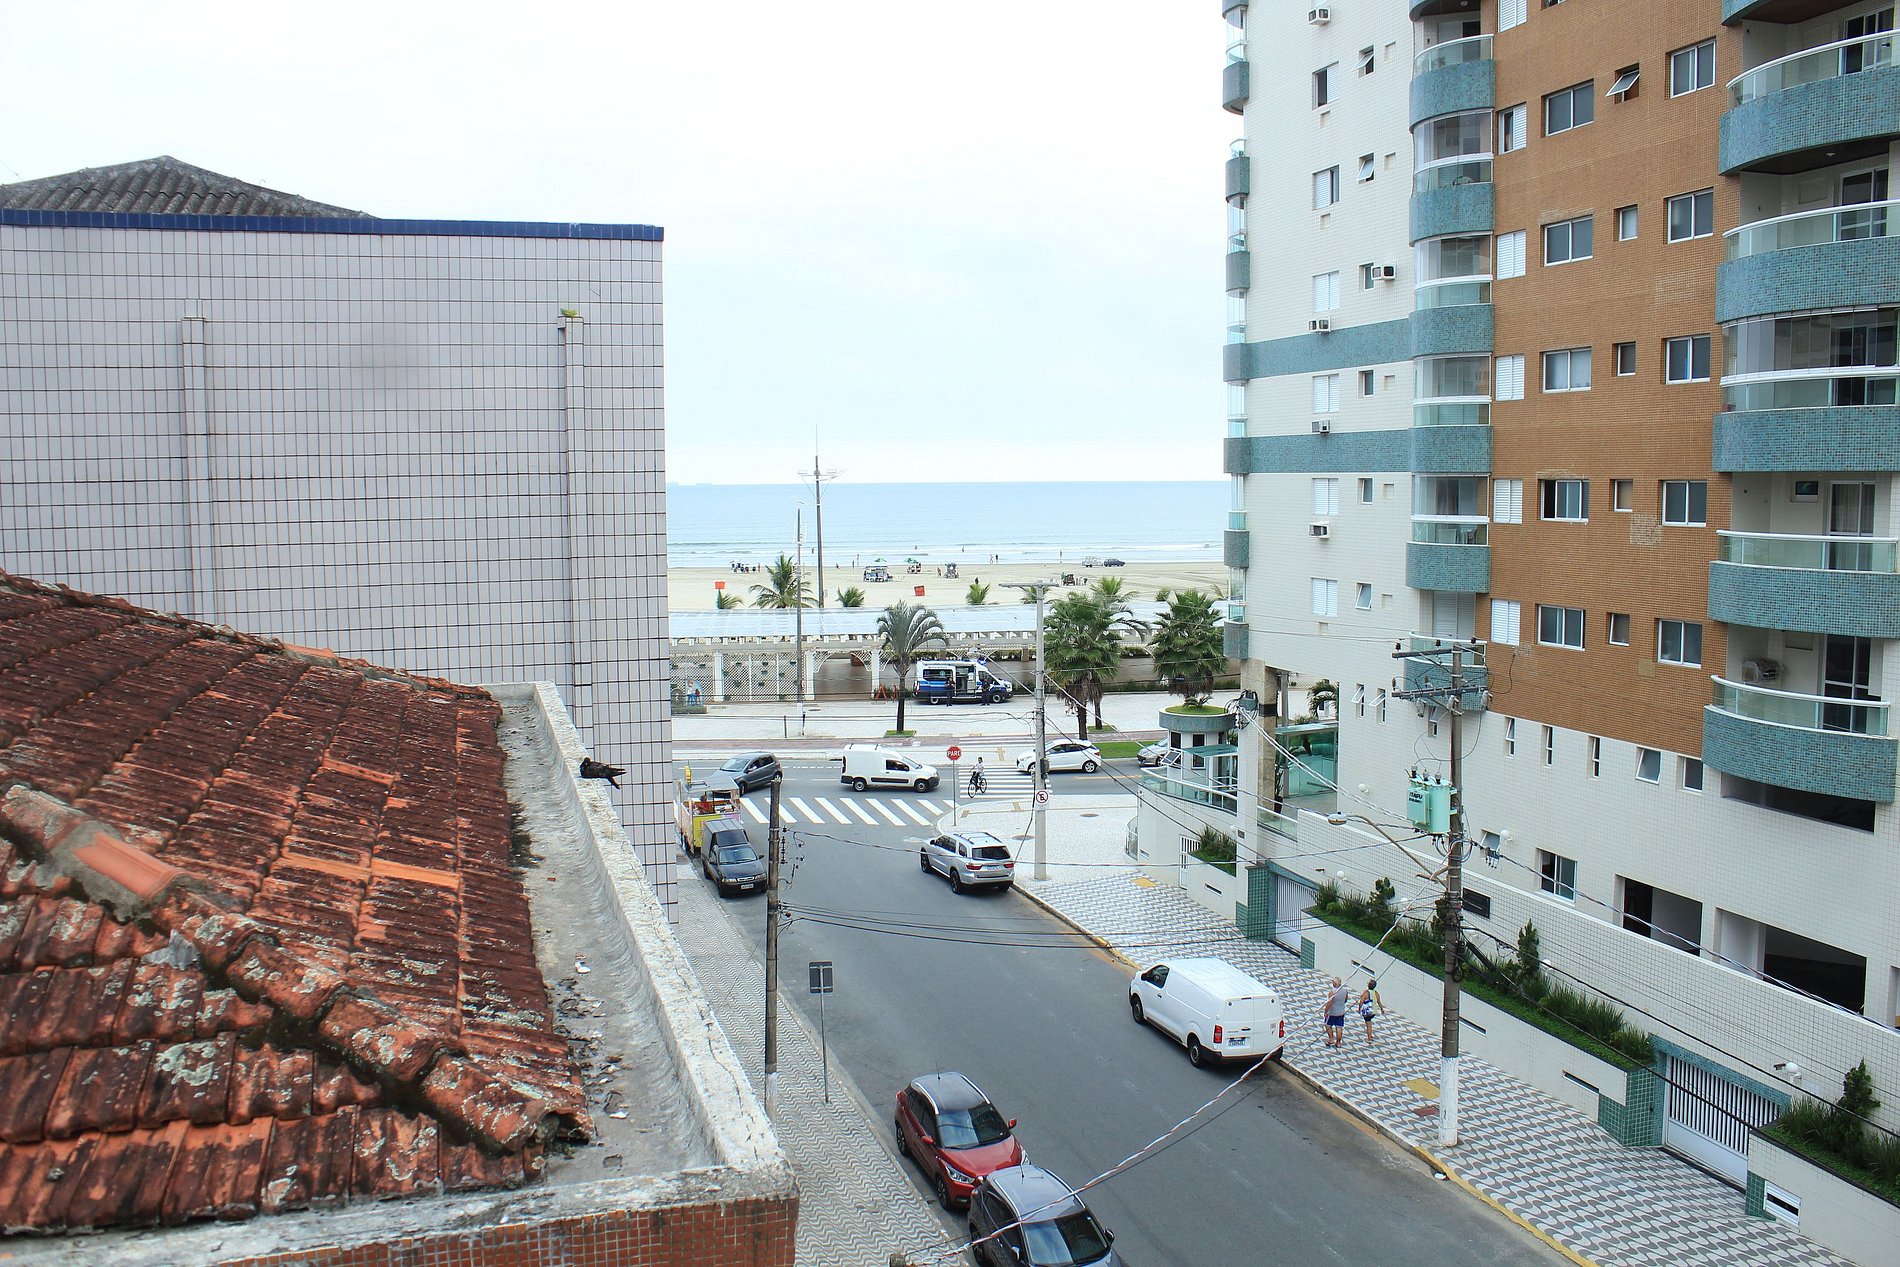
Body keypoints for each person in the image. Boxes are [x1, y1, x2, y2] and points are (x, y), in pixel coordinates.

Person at [1322, 977, 1350, 1047]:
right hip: (1341, 1011)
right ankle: (1338, 1042)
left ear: (1334, 983)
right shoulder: (1345, 990)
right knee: (1339, 1026)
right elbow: (1345, 1000)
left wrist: (1326, 1012)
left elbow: (1329, 1003)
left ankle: (1331, 1039)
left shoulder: (1332, 992)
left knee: (1328, 1025)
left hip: (1332, 1012)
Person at [1357, 978, 1384, 1046]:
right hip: (1374, 1011)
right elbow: (1379, 1002)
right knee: (1369, 1023)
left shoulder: (1365, 992)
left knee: (1368, 1024)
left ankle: (1369, 1038)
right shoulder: (1376, 993)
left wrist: (1359, 1008)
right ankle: (1370, 1034)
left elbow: (1361, 1001)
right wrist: (1382, 1009)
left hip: (1367, 1011)